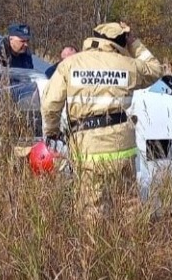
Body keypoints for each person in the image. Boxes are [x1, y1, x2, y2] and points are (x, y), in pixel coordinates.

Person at [40, 22, 163, 219]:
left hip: (88, 147)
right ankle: (133, 246)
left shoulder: (70, 65)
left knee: (91, 208)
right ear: (120, 42)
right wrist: (134, 43)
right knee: (128, 204)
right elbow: (155, 69)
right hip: (123, 146)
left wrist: (52, 131)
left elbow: (50, 104)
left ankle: (94, 248)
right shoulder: (127, 65)